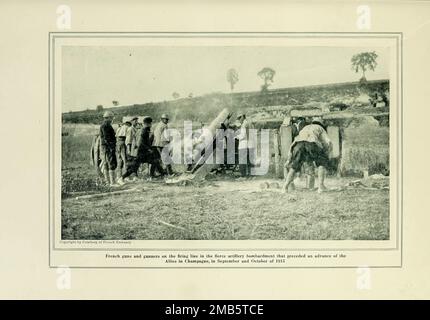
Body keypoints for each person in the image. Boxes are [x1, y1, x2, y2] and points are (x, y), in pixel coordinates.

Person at [282, 117, 332, 194]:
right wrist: (326, 152)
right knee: (322, 163)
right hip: (311, 143)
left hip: (298, 145)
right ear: (320, 124)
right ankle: (321, 187)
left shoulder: (305, 127)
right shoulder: (320, 128)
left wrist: (289, 159)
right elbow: (328, 142)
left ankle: (285, 188)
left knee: (294, 166)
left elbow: (293, 144)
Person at [99, 111, 118, 186]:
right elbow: (107, 138)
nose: (112, 119)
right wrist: (111, 147)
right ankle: (112, 182)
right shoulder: (106, 125)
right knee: (111, 163)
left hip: (106, 147)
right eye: (111, 117)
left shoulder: (105, 125)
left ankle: (108, 182)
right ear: (108, 118)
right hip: (108, 147)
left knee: (107, 163)